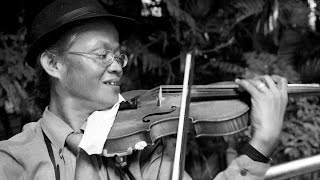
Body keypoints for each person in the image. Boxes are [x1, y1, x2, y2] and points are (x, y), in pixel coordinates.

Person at [0, 0, 288, 179]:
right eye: (102, 55)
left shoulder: (144, 150)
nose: (117, 66)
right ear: (53, 63)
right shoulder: (13, 160)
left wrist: (260, 145)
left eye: (119, 55)